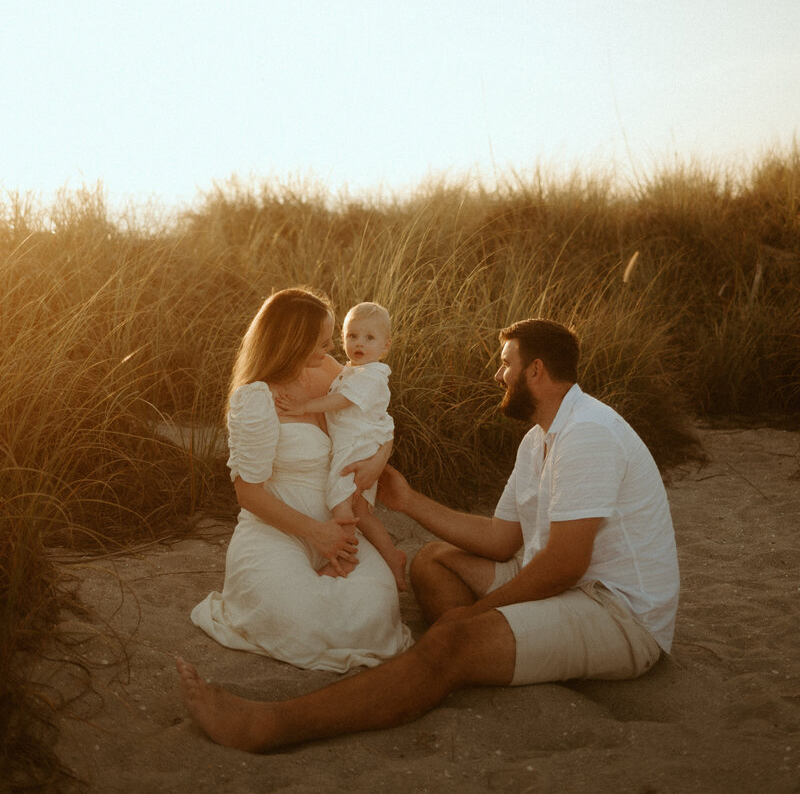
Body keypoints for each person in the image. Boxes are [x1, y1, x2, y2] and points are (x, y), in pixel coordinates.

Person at [177, 316, 680, 752]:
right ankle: (482, 653)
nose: (498, 374)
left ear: (536, 371)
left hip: (615, 613)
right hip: (564, 586)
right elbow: (503, 540)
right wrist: (408, 501)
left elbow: (566, 564)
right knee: (432, 561)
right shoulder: (540, 438)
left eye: (506, 364)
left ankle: (270, 724)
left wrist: (470, 618)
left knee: (451, 640)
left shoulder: (587, 433)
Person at [189, 287, 413, 673]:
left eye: (330, 341)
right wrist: (316, 533)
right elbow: (248, 495)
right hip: (276, 530)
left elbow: (376, 416)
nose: (331, 350)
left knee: (375, 610)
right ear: (292, 343)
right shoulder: (255, 398)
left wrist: (380, 458)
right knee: (302, 620)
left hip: (340, 528)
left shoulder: (330, 373)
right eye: (322, 342)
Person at [274, 302, 407, 591]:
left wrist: (303, 406)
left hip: (357, 449)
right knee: (362, 511)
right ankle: (393, 557)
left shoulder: (371, 375)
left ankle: (346, 555)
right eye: (352, 336)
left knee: (340, 501)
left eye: (369, 338)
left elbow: (342, 401)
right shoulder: (351, 371)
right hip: (356, 444)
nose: (358, 343)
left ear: (386, 346)